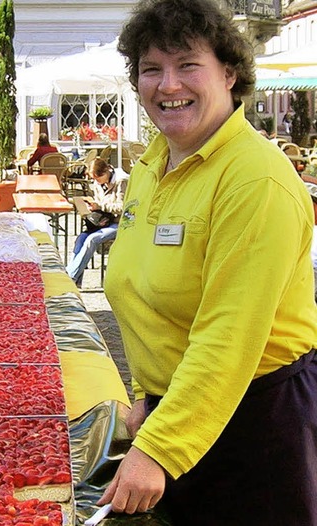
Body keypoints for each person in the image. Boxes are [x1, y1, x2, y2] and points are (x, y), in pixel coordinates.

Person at [101, 1, 317, 524]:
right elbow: (141, 298)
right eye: (152, 69)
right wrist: (144, 397)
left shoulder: (255, 178)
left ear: (230, 72)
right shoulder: (155, 163)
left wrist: (158, 448)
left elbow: (228, 336)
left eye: (187, 65)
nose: (168, 84)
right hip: (182, 410)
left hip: (254, 425)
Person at [65, 158, 128, 287]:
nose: (96, 182)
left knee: (92, 239)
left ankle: (70, 277)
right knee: (81, 238)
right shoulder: (98, 183)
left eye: (97, 178)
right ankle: (75, 280)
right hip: (103, 221)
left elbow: (122, 208)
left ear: (105, 172)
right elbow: (98, 202)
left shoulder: (121, 181)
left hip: (120, 222)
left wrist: (99, 206)